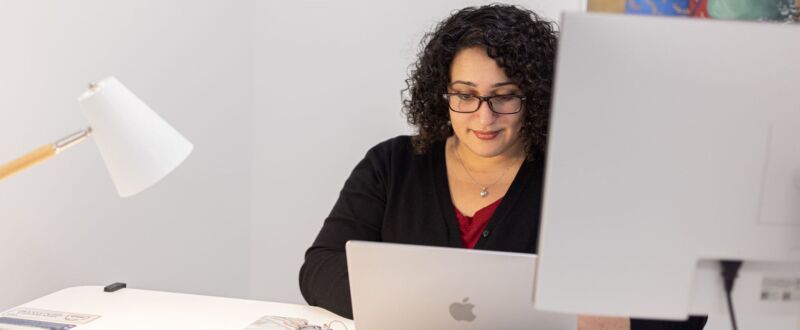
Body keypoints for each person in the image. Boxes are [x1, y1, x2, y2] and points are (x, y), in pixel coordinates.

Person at [299, 4, 707, 330]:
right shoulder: (391, 165)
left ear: (536, 96)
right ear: (441, 93)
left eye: (504, 97)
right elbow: (320, 269)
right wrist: (425, 311)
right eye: (465, 95)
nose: (483, 117)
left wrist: (602, 321)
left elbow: (689, 301)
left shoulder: (586, 176)